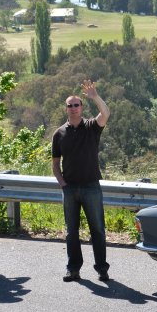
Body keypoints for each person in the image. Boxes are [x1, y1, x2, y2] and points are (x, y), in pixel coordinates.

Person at [52, 80, 111, 282]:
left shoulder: (92, 127)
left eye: (76, 105)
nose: (73, 108)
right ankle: (73, 269)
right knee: (71, 232)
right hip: (70, 189)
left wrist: (95, 96)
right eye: (70, 105)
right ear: (66, 109)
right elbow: (55, 164)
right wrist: (63, 184)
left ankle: (102, 269)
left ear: (82, 107)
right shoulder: (59, 134)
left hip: (91, 186)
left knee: (98, 230)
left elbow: (105, 114)